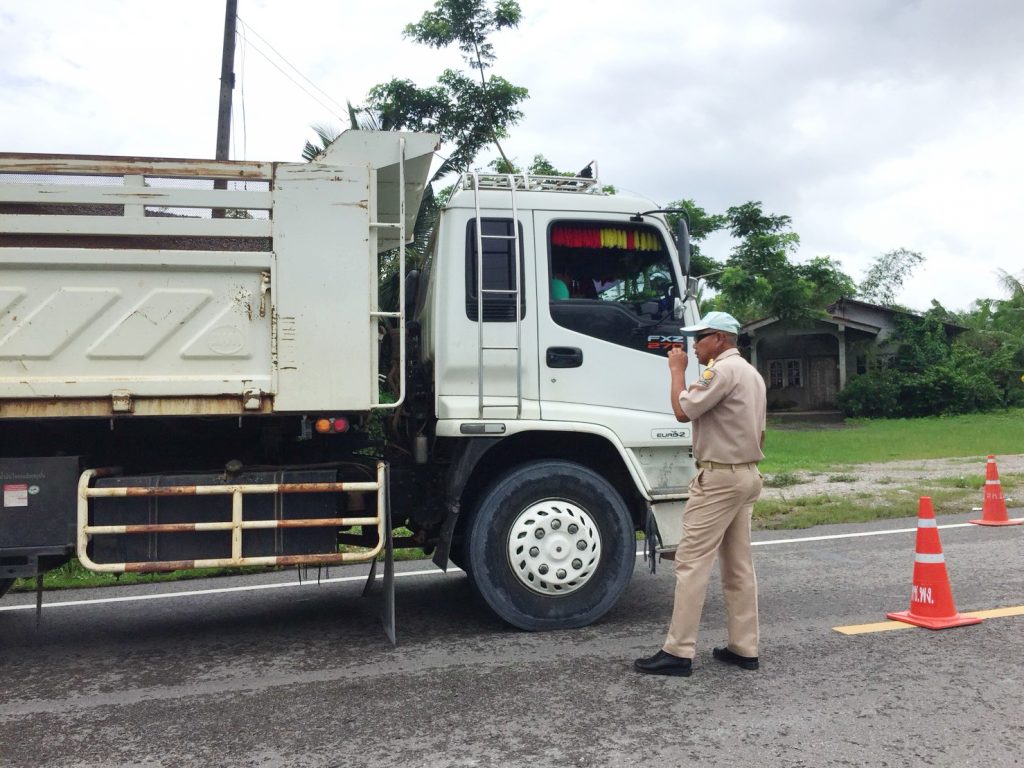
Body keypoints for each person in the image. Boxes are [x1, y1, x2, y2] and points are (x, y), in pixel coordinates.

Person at [634, 311, 767, 677]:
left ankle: (678, 652)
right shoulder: (751, 374)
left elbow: (683, 411)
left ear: (720, 339)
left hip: (719, 478)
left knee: (691, 562)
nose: (693, 346)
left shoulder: (719, 372)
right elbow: (761, 433)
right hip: (747, 474)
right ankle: (744, 647)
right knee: (739, 566)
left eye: (700, 337)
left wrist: (676, 370)